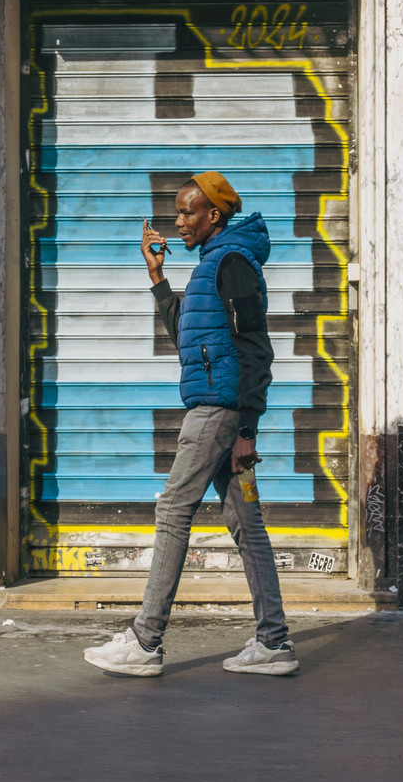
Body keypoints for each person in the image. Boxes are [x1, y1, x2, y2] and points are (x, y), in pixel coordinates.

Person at [82, 173, 297, 677]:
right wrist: (158, 278)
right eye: (176, 213)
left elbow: (255, 347)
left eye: (186, 213)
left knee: (174, 508)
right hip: (221, 409)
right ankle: (274, 643)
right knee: (248, 523)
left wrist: (246, 428)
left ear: (213, 216)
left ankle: (145, 640)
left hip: (218, 412)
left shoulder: (231, 264)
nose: (176, 223)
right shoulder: (210, 265)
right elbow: (186, 336)